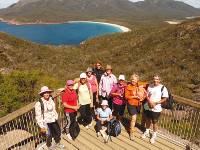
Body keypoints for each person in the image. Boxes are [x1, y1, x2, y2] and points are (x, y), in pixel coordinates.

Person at [142, 75, 169, 144]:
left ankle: (154, 135)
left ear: (159, 80)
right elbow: (147, 95)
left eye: (157, 79)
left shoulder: (163, 87)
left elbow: (165, 98)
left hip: (156, 107)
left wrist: (156, 103)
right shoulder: (150, 86)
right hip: (148, 106)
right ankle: (147, 131)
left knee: (154, 122)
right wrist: (149, 102)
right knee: (147, 119)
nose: (155, 80)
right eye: (154, 79)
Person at [125, 74, 147, 141]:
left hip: (138, 104)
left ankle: (131, 127)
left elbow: (147, 84)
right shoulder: (128, 87)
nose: (133, 81)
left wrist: (143, 97)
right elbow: (126, 97)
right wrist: (134, 97)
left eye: (135, 79)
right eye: (132, 79)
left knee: (134, 118)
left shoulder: (139, 85)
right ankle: (131, 133)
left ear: (137, 80)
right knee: (134, 118)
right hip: (131, 104)